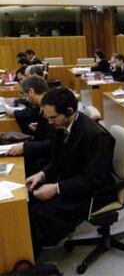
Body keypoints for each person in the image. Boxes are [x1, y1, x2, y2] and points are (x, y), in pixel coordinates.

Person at [26, 88, 117, 256]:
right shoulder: (62, 125)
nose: (49, 123)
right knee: (28, 198)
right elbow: (58, 160)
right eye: (47, 118)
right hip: (73, 179)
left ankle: (32, 259)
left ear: (69, 111)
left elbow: (94, 179)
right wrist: (42, 174)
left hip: (95, 192)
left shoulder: (96, 136)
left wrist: (56, 188)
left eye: (53, 118)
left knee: (38, 214)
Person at [6, 76, 55, 176]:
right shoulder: (45, 103)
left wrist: (25, 147)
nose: (27, 100)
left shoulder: (51, 106)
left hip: (49, 164)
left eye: (26, 95)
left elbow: (52, 143)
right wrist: (40, 129)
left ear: (31, 91)